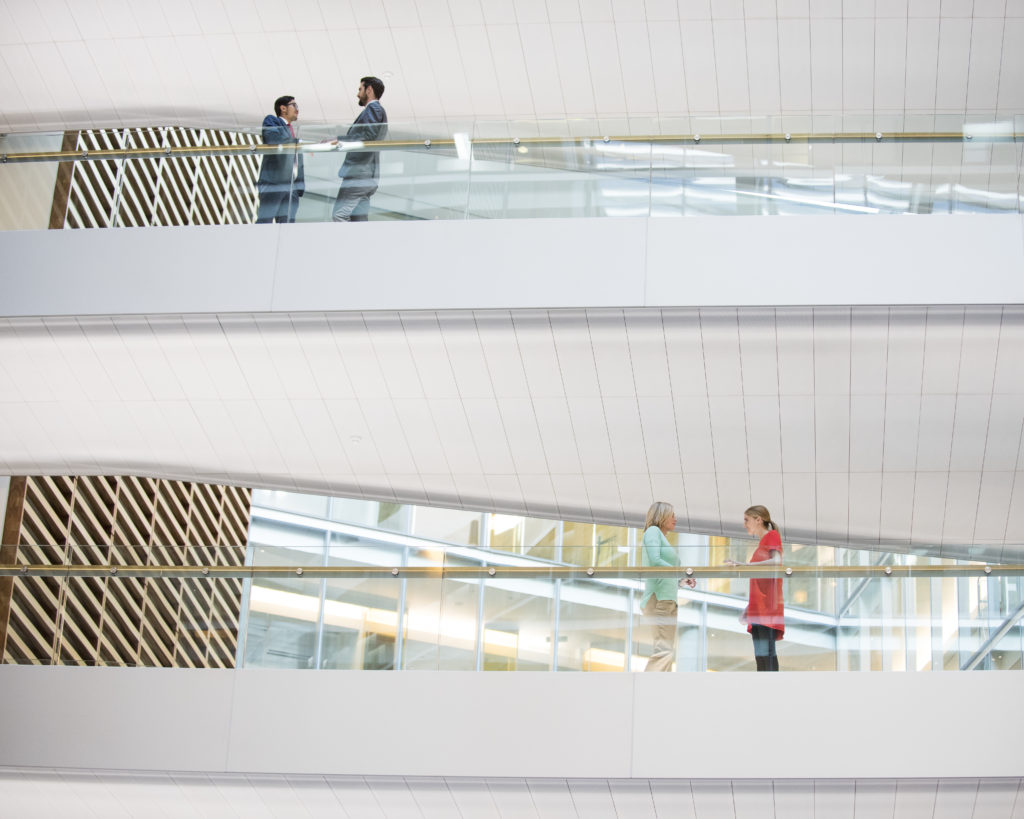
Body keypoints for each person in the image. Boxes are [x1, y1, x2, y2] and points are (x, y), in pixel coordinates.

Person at [726, 505, 784, 671]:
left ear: (759, 520)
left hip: (767, 607)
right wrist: (750, 606)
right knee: (760, 655)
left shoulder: (772, 535)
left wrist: (745, 565)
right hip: (759, 607)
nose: (744, 524)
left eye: (747, 520)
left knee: (767, 653)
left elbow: (776, 561)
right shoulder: (761, 544)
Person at [639, 501, 695, 672]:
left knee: (667, 650)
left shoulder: (661, 537)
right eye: (672, 514)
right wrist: (679, 571)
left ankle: (661, 687)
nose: (675, 518)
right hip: (658, 600)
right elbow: (655, 561)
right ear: (661, 516)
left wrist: (681, 581)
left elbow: (664, 573)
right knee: (663, 649)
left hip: (668, 600)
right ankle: (647, 688)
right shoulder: (653, 532)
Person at [332, 76, 388, 222]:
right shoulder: (376, 110)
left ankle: (345, 245)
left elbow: (366, 137)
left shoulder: (374, 108)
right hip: (367, 176)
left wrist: (339, 140)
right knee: (359, 221)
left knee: (339, 215)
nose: (358, 94)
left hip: (359, 175)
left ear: (369, 90)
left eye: (360, 89)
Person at [256, 95, 304, 223]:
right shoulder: (272, 120)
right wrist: (295, 142)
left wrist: (299, 186)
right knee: (265, 221)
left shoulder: (293, 132)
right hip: (274, 183)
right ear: (283, 108)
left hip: (292, 187)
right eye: (294, 106)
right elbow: (272, 139)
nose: (297, 109)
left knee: (287, 226)